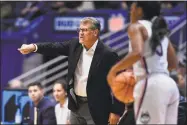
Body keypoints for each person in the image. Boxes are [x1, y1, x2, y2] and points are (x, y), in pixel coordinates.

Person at [18, 17, 124, 124]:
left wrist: (116, 111)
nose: (81, 33)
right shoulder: (75, 45)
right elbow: (54, 47)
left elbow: (119, 83)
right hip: (76, 105)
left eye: (85, 30)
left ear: (95, 32)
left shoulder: (108, 54)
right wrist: (33, 47)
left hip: (97, 107)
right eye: (80, 30)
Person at [107, 1, 179, 124]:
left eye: (133, 7)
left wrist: (113, 71)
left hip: (150, 85)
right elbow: (173, 64)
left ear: (140, 10)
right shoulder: (160, 31)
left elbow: (137, 53)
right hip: (170, 86)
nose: (130, 11)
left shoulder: (136, 26)